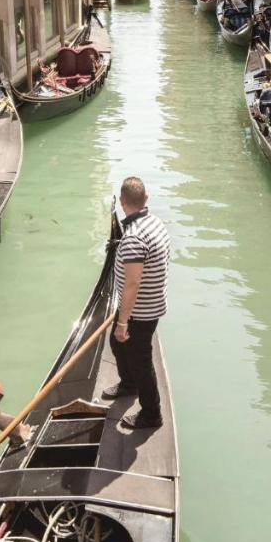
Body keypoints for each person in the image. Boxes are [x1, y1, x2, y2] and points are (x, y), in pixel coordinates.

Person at [102, 177, 171, 430]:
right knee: (117, 344)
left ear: (122, 202)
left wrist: (122, 322)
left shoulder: (132, 239)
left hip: (139, 311)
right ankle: (128, 384)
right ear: (146, 199)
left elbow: (132, 284)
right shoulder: (156, 223)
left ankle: (152, 415)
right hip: (150, 303)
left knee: (141, 360)